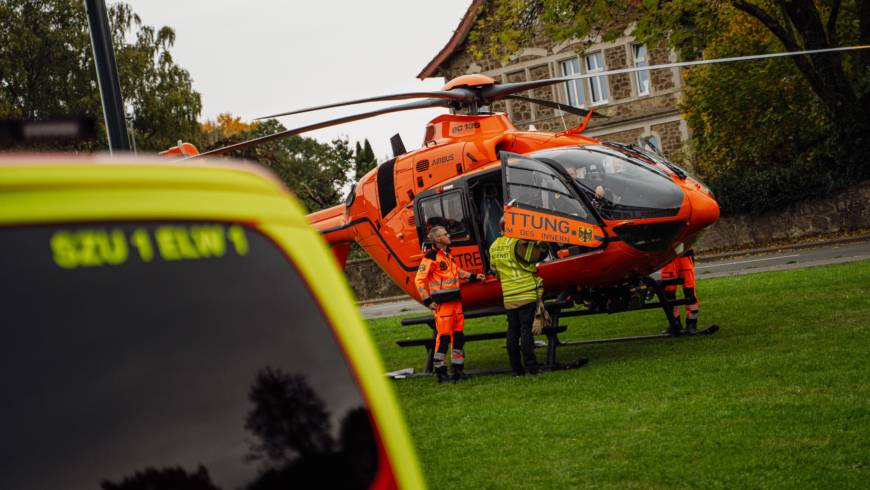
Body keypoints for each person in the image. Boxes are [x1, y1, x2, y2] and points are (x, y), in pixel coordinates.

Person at [415, 226, 485, 384]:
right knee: (444, 338)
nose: (449, 235)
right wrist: (427, 301)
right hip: (443, 304)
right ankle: (441, 374)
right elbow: (419, 280)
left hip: (455, 302)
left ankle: (457, 370)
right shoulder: (431, 257)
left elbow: (457, 272)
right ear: (437, 239)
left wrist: (474, 277)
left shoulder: (448, 254)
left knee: (458, 337)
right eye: (445, 234)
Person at [488, 218, 550, 376]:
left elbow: (495, 272)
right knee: (527, 331)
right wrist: (543, 239)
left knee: (512, 332)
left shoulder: (494, 246)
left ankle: (516, 370)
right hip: (526, 294)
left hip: (509, 296)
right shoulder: (517, 242)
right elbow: (538, 255)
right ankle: (532, 368)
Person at [661, 248, 699, 334]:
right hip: (668, 255)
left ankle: (692, 323)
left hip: (684, 253)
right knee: (668, 293)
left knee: (689, 292)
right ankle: (674, 323)